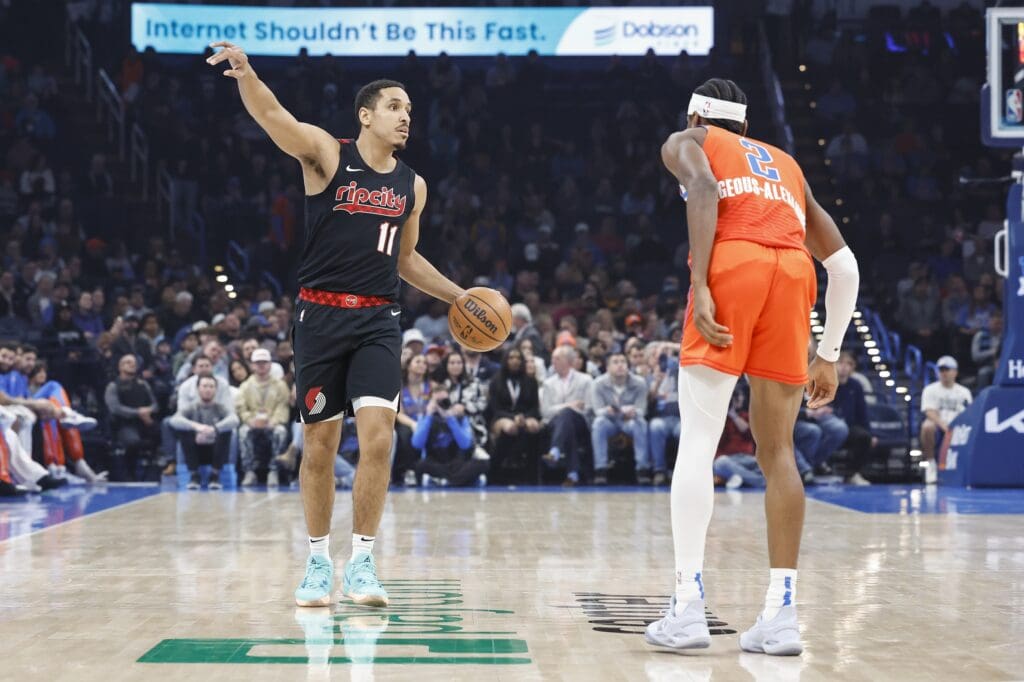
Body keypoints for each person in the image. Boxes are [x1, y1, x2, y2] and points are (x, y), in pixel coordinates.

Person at [209, 43, 466, 608]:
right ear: (366, 114)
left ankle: (365, 562)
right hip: (320, 316)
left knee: (378, 438)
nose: (405, 117)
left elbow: (405, 259)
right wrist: (248, 76)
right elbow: (274, 117)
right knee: (320, 444)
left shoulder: (412, 185)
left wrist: (459, 297)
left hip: (378, 317)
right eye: (395, 106)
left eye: (410, 110)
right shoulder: (328, 154)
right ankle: (319, 561)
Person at [645, 78, 859, 656]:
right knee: (779, 452)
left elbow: (706, 190)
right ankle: (781, 616)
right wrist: (830, 355)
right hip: (794, 274)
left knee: (698, 440)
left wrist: (700, 282)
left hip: (733, 262)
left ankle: (687, 609)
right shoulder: (786, 163)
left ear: (696, 114)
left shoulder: (686, 138)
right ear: (744, 124)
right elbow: (845, 268)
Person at [589, 352, 651, 485]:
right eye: (615, 362)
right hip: (609, 420)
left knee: (641, 423)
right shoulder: (598, 384)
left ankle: (642, 469)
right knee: (598, 423)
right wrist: (607, 410)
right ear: (607, 367)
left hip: (630, 421)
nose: (620, 365)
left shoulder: (639, 383)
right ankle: (600, 469)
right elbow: (597, 410)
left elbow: (642, 410)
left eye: (623, 362)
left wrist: (634, 412)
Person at [411, 381, 488, 487]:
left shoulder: (460, 417)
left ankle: (444, 481)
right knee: (420, 465)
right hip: (436, 462)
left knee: (483, 463)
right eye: (437, 401)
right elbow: (417, 445)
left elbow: (465, 445)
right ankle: (465, 480)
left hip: (458, 461)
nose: (440, 404)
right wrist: (429, 416)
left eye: (444, 400)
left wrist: (450, 417)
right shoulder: (425, 417)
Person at [170, 375, 239, 490]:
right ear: (198, 389)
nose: (208, 389)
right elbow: (174, 420)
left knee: (226, 431)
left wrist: (214, 429)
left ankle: (215, 475)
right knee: (184, 431)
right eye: (205, 386)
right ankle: (194, 474)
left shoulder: (220, 408)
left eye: (211, 386)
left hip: (216, 449)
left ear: (215, 390)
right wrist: (197, 427)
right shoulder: (191, 407)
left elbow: (234, 420)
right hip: (195, 448)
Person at [539, 345, 593, 486]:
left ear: (568, 361)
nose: (553, 362)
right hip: (554, 424)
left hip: (580, 422)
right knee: (566, 420)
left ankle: (556, 451)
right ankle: (572, 474)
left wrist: (569, 410)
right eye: (552, 359)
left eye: (557, 358)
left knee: (568, 417)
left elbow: (588, 407)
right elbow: (545, 411)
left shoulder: (586, 380)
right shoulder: (548, 384)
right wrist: (568, 406)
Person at [236, 348, 290, 488]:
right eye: (258, 362)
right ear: (252, 365)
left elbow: (283, 407)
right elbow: (241, 408)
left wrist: (274, 421)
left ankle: (274, 471)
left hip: (272, 422)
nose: (261, 365)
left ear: (270, 364)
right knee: (243, 431)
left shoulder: (280, 385)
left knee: (280, 432)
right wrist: (250, 420)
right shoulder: (246, 386)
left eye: (264, 362)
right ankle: (249, 471)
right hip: (253, 422)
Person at [487, 347, 542, 479]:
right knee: (510, 428)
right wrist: (513, 418)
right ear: (506, 360)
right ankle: (495, 471)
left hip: (526, 415)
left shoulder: (531, 381)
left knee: (533, 427)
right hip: (502, 416)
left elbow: (535, 407)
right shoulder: (496, 381)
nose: (515, 361)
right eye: (511, 358)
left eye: (518, 358)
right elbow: (494, 408)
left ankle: (533, 472)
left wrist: (525, 417)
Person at [919, 355, 972, 476]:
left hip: (958, 425)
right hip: (939, 425)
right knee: (927, 426)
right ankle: (931, 464)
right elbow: (929, 411)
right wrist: (943, 425)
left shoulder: (964, 392)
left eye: (947, 370)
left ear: (955, 372)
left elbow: (969, 412)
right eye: (941, 370)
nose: (944, 373)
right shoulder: (930, 389)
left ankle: (965, 468)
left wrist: (955, 425)